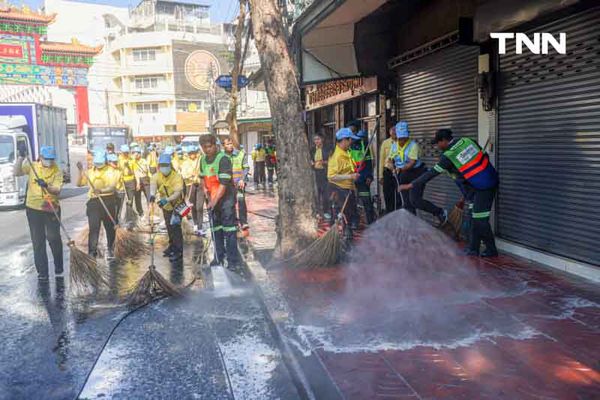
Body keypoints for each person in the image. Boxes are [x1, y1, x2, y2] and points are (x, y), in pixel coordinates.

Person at [401, 129, 499, 257]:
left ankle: (491, 250)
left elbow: (431, 174)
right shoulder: (467, 141)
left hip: (483, 187)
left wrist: (411, 184)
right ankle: (473, 248)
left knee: (480, 220)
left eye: (438, 143)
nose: (437, 146)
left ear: (444, 141)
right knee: (473, 218)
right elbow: (482, 157)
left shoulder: (449, 155)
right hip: (485, 181)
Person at [14, 146, 64, 278]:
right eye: (47, 159)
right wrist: (21, 157)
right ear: (41, 157)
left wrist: (47, 186)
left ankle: (59, 268)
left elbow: (57, 190)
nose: (49, 161)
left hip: (50, 207)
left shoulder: (57, 170)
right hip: (33, 208)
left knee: (54, 238)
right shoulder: (32, 166)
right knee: (38, 240)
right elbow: (16, 172)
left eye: (51, 159)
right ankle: (42, 272)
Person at [199, 134, 241, 268]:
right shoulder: (203, 160)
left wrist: (214, 201)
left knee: (229, 231)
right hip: (212, 200)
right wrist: (204, 189)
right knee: (215, 230)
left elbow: (223, 184)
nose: (207, 150)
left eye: (209, 147)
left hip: (226, 201)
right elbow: (202, 177)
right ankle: (219, 258)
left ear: (215, 145)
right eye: (204, 147)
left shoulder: (223, 159)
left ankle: (233, 261)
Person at [76, 150, 118, 258]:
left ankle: (111, 248)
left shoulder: (111, 171)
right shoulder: (90, 171)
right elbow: (79, 184)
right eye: (97, 162)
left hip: (108, 201)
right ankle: (92, 252)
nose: (98, 165)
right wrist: (80, 171)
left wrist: (101, 191)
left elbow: (112, 187)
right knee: (94, 228)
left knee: (110, 227)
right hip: (94, 203)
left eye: (100, 162)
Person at [390, 121, 434, 217]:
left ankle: (439, 212)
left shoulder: (413, 146)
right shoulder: (393, 146)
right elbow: (390, 159)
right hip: (403, 174)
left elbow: (411, 163)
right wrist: (392, 166)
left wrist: (399, 168)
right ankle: (410, 225)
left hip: (416, 173)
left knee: (415, 200)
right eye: (400, 138)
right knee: (406, 203)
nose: (403, 140)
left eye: (404, 137)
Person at [149, 153, 185, 262]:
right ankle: (172, 247)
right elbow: (153, 186)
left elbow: (177, 193)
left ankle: (179, 251)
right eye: (162, 165)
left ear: (170, 165)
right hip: (166, 207)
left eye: (166, 165)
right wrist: (152, 195)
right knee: (169, 227)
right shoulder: (157, 176)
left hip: (177, 206)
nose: (164, 167)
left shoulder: (176, 176)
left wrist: (166, 199)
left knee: (175, 228)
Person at [328, 128, 360, 237]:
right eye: (350, 140)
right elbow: (331, 176)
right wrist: (350, 176)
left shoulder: (346, 152)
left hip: (348, 188)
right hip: (340, 190)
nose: (351, 143)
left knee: (350, 216)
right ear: (344, 140)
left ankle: (347, 235)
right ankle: (344, 238)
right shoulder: (336, 156)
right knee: (344, 217)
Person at [349, 125, 376, 225]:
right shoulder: (346, 145)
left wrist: (369, 176)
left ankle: (371, 223)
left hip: (363, 178)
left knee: (366, 202)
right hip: (350, 178)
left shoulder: (364, 144)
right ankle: (354, 222)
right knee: (351, 202)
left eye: (352, 132)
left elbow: (369, 162)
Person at [223, 138, 250, 231]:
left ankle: (244, 222)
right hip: (228, 185)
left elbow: (246, 168)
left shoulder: (241, 154)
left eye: (231, 143)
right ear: (224, 146)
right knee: (231, 204)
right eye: (227, 144)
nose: (230, 145)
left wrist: (243, 180)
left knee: (241, 202)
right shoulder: (222, 156)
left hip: (239, 184)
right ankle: (234, 222)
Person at [180, 145, 205, 235]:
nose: (192, 155)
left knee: (199, 207)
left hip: (200, 185)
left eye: (194, 153)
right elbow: (183, 175)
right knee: (193, 206)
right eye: (190, 153)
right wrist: (191, 174)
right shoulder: (185, 163)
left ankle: (200, 227)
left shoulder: (200, 160)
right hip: (190, 186)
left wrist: (199, 174)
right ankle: (195, 224)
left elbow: (204, 170)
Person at [311, 134, 332, 220]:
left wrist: (324, 162)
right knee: (316, 193)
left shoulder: (327, 149)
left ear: (322, 139)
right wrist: (311, 162)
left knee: (325, 194)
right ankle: (317, 212)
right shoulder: (312, 150)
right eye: (315, 139)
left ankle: (326, 211)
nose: (317, 141)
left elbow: (331, 161)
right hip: (316, 173)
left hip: (325, 173)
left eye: (318, 139)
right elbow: (310, 159)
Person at [379, 124, 397, 213]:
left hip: (398, 171)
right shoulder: (385, 143)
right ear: (390, 133)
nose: (394, 133)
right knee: (387, 195)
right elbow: (381, 159)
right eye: (392, 132)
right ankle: (389, 213)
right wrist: (380, 176)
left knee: (398, 195)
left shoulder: (401, 142)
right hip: (387, 172)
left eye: (396, 131)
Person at [118, 144, 136, 223]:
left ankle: (129, 219)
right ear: (121, 152)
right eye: (124, 152)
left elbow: (133, 172)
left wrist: (128, 166)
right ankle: (118, 218)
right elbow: (117, 170)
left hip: (130, 181)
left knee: (130, 201)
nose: (126, 154)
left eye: (127, 152)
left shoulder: (131, 159)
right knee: (120, 201)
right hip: (121, 182)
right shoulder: (118, 159)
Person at [132, 145, 150, 217]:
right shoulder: (133, 162)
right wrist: (138, 183)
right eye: (134, 153)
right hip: (137, 181)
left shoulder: (144, 161)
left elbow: (148, 171)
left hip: (145, 179)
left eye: (137, 153)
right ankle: (140, 213)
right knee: (137, 198)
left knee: (149, 197)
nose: (136, 155)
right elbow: (135, 172)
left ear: (140, 154)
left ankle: (150, 212)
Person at [107, 153, 124, 222]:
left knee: (118, 210)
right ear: (109, 162)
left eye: (116, 162)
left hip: (119, 192)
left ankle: (117, 222)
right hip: (109, 193)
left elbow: (120, 180)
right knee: (110, 211)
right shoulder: (106, 171)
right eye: (113, 162)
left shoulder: (119, 171)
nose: (115, 163)